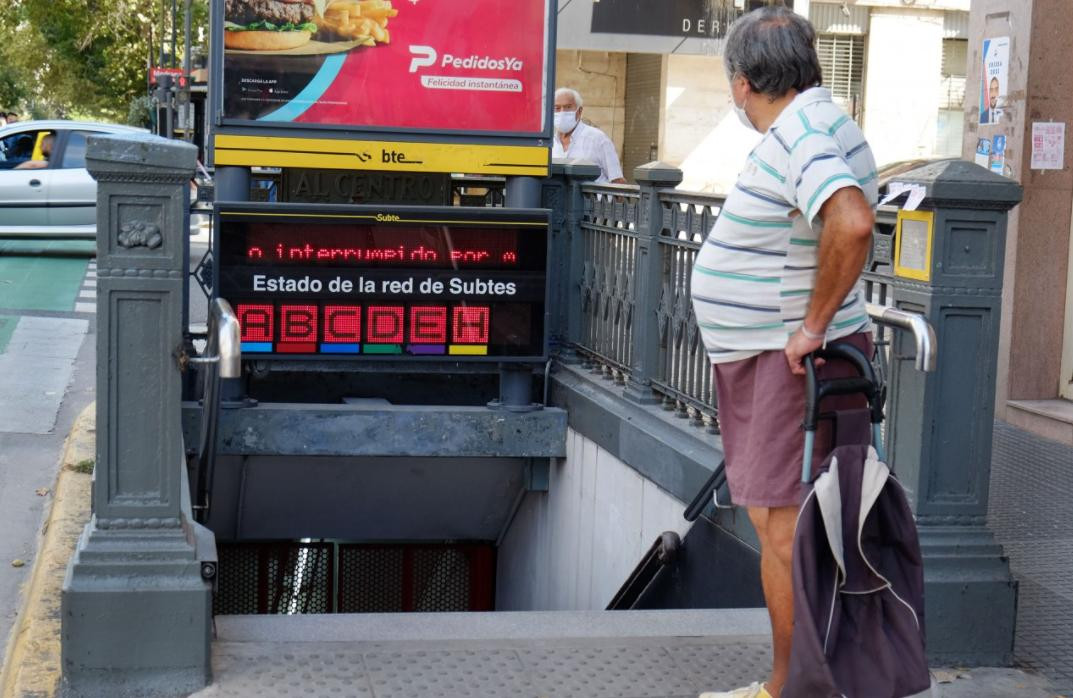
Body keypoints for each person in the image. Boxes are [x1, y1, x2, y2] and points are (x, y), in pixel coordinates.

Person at [690, 7, 878, 698]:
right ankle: (801, 683)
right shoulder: (820, 120)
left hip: (784, 359)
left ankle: (788, 690)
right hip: (779, 356)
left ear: (740, 83)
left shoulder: (799, 130)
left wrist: (809, 326)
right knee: (793, 527)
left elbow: (850, 221)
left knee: (780, 529)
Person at [551, 87, 626, 184]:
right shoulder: (550, 144)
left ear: (579, 111)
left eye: (568, 107)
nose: (562, 112)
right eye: (557, 108)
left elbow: (618, 181)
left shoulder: (597, 139)